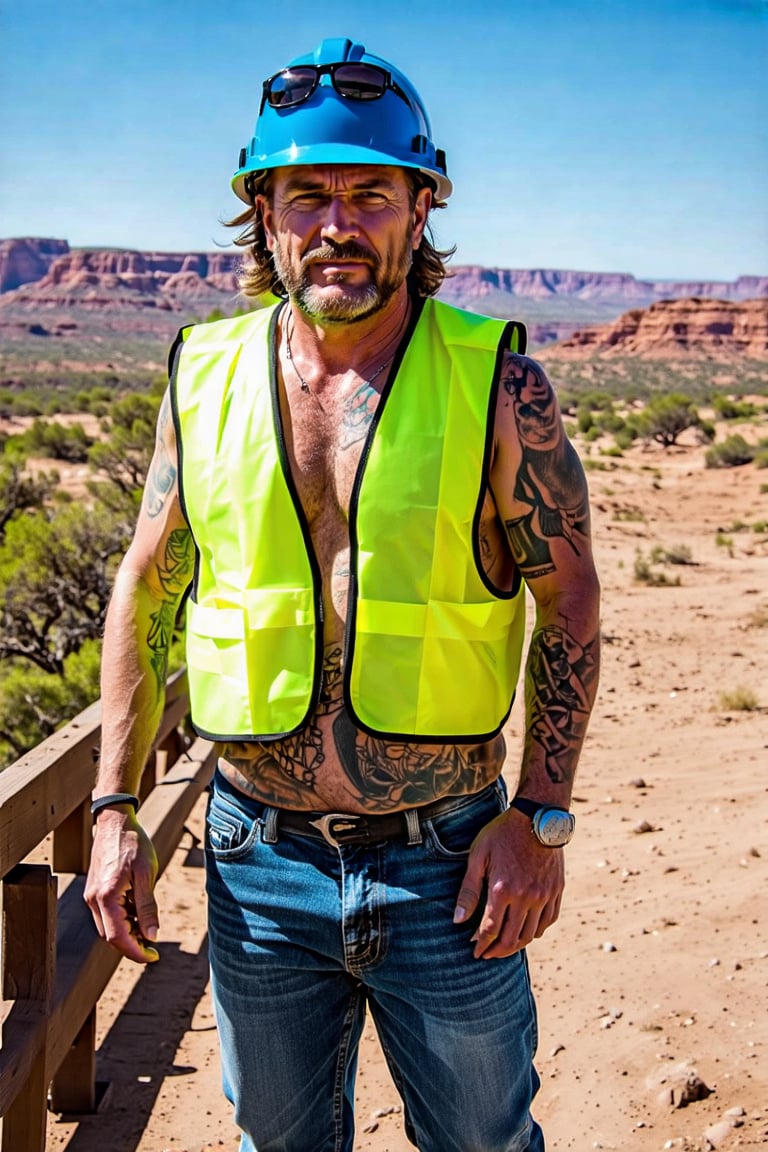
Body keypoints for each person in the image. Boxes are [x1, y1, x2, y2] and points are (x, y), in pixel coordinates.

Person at [85, 36, 600, 1152]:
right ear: (263, 215)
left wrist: (541, 820)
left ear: (421, 211)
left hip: (449, 864)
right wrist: (115, 810)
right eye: (306, 193)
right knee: (281, 1143)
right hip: (257, 864)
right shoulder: (200, 371)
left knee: (484, 1143)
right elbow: (148, 586)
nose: (336, 222)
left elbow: (571, 604)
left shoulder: (499, 377)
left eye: (370, 192)